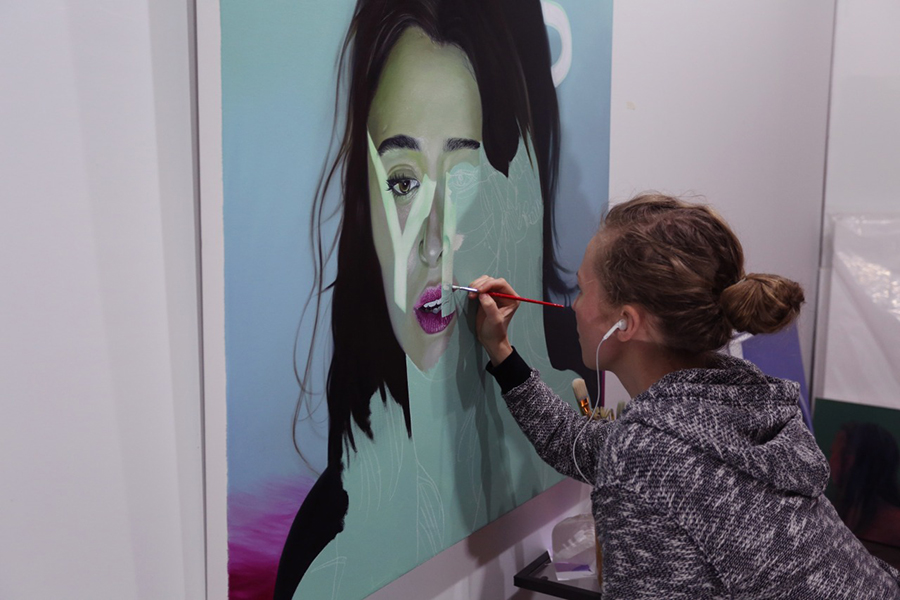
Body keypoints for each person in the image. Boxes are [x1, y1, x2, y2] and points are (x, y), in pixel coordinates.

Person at [272, 0, 589, 598]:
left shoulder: (582, 399)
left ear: (516, 199)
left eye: (464, 178)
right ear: (365, 202)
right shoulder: (328, 551)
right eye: (403, 181)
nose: (434, 240)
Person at [470, 194, 900, 599]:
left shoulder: (652, 451)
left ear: (626, 323)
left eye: (581, 289)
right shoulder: (737, 396)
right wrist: (501, 352)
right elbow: (577, 445)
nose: (574, 306)